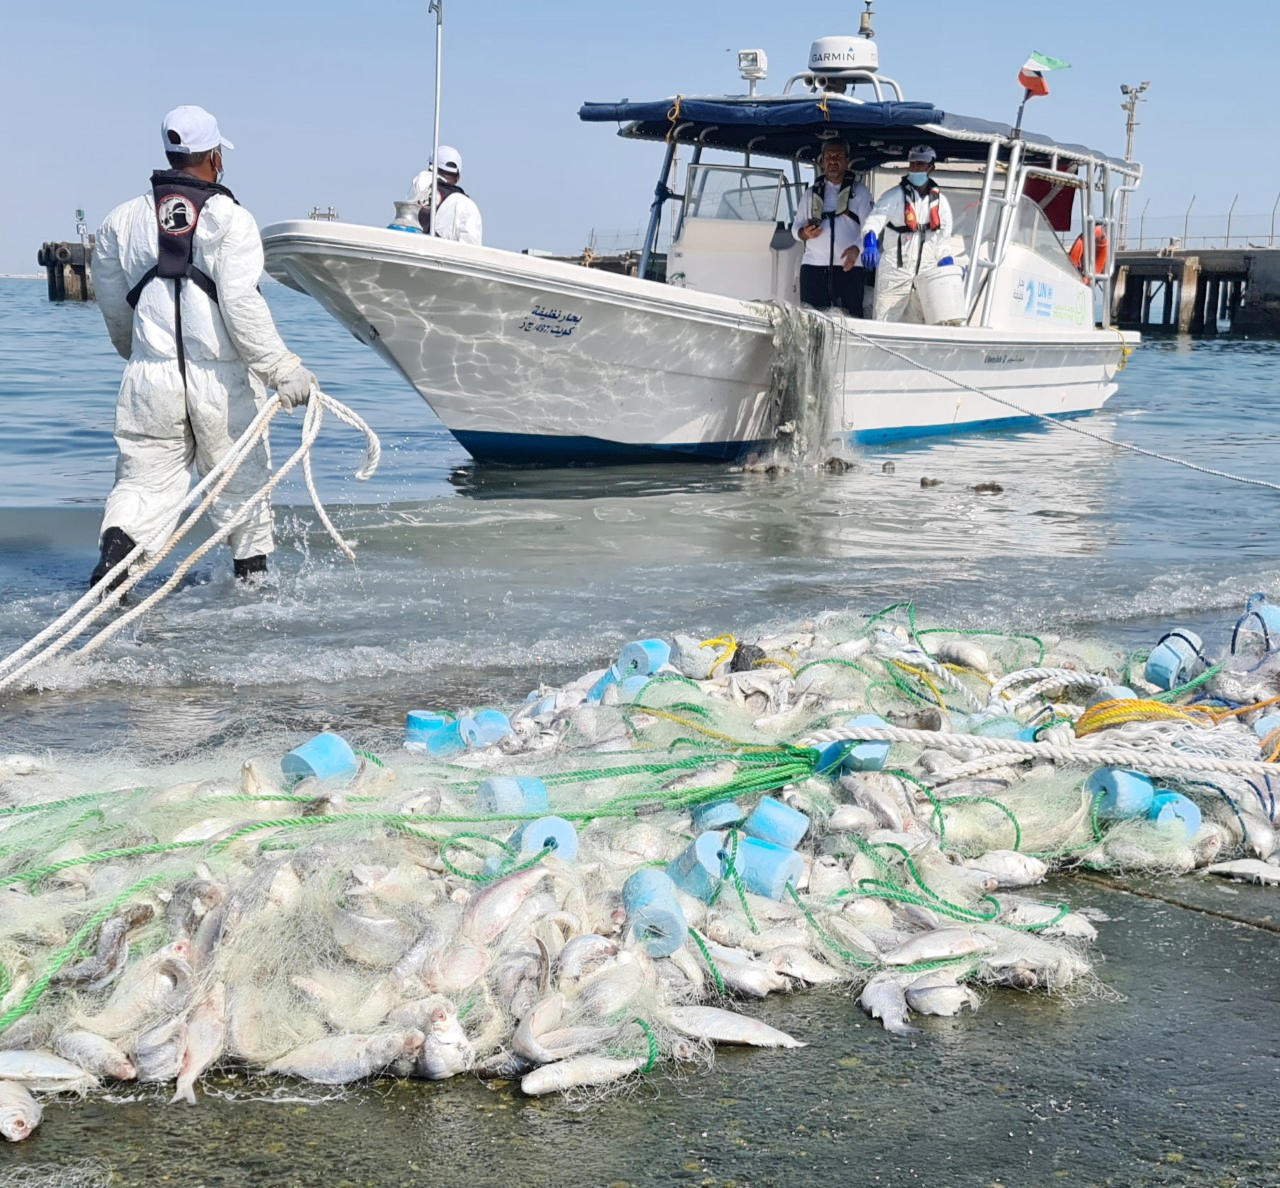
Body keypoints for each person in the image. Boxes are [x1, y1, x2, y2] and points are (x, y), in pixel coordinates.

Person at [89, 105, 317, 591]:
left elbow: (113, 304)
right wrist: (283, 369)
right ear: (214, 156)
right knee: (243, 491)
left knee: (142, 485)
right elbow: (240, 305)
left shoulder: (120, 222)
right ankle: (254, 600)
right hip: (222, 382)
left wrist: (138, 353)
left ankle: (114, 570)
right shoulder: (231, 220)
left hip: (150, 382)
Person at [861, 145, 955, 323]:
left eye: (921, 164)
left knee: (923, 322)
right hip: (894, 274)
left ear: (931, 168)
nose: (916, 168)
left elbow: (943, 241)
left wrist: (946, 260)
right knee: (885, 322)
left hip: (926, 275)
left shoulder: (940, 203)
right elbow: (873, 222)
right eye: (913, 164)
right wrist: (870, 243)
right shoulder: (893, 196)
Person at [792, 139, 872, 317]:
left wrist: (857, 249)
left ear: (846, 161)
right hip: (813, 267)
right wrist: (803, 233)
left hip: (848, 269)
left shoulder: (860, 193)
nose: (833, 161)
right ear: (822, 161)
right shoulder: (810, 194)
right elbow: (795, 228)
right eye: (828, 157)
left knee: (852, 321)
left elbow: (871, 229)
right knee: (810, 321)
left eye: (838, 156)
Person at [408, 146, 482, 244]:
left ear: (430, 168)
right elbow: (472, 250)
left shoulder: (417, 188)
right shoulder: (466, 205)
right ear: (458, 177)